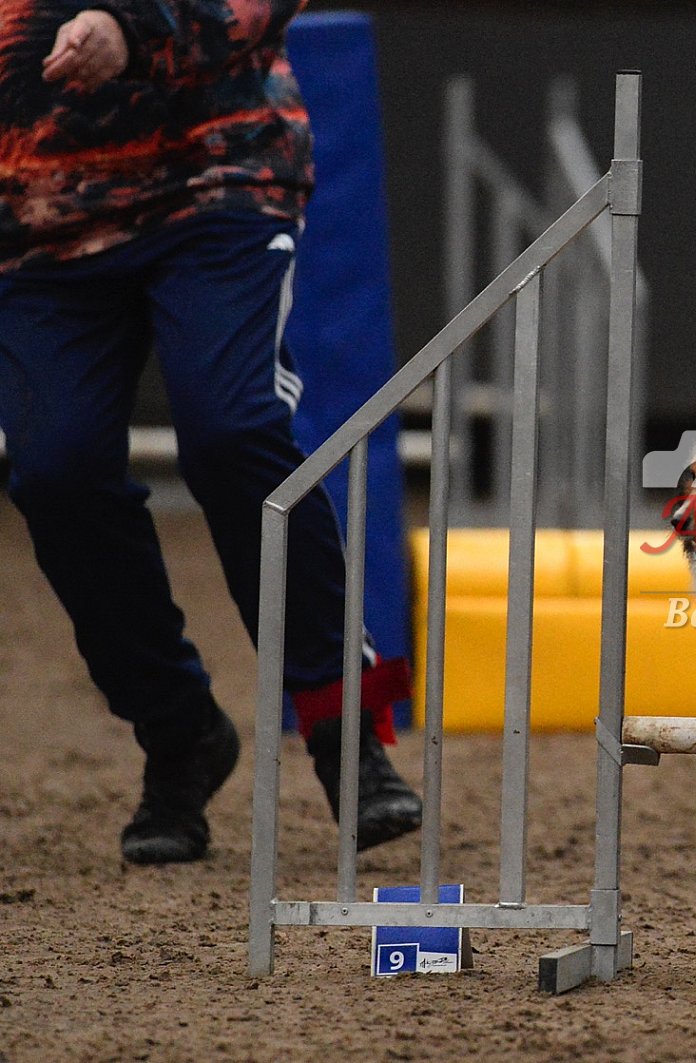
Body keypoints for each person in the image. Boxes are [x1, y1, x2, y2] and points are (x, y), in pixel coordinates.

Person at [0, 2, 422, 864]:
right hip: (39, 221)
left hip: (217, 181)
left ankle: (345, 730)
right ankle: (179, 730)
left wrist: (130, 28)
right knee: (52, 469)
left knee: (233, 430)